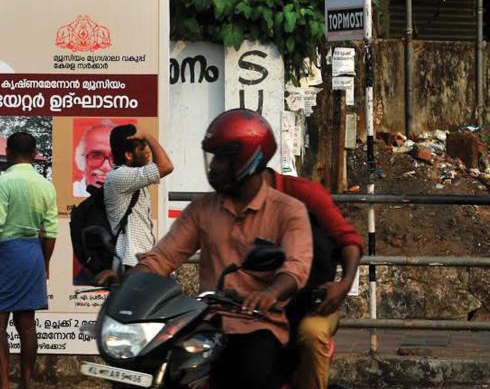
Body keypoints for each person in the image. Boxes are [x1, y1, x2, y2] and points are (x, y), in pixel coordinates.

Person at [133, 109, 312, 389]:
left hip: (258, 325)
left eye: (222, 158)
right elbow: (165, 256)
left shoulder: (288, 211)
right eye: (212, 157)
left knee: (248, 372)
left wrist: (270, 293)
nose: (213, 167)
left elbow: (296, 267)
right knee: (162, 371)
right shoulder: (202, 208)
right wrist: (133, 278)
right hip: (206, 322)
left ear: (247, 159)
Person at [263, 168, 362, 389]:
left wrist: (343, 284)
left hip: (312, 302)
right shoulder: (229, 203)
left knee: (311, 333)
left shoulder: (305, 193)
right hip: (261, 303)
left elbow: (349, 241)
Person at [0, 132, 57, 389]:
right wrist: (44, 263)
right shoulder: (45, 185)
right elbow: (51, 230)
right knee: (27, 323)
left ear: (8, 152)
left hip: (4, 253)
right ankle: (27, 383)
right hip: (32, 253)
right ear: (34, 155)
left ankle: (3, 385)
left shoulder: (5, 181)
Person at [103, 124, 173, 271]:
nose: (148, 151)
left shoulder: (134, 177)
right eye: (142, 148)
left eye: (146, 146)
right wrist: (147, 135)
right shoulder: (120, 176)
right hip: (130, 261)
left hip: (140, 260)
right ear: (128, 155)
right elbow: (166, 166)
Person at [72, 120, 115, 197]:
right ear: (81, 158)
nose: (106, 167)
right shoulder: (71, 192)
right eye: (96, 156)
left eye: (116, 156)